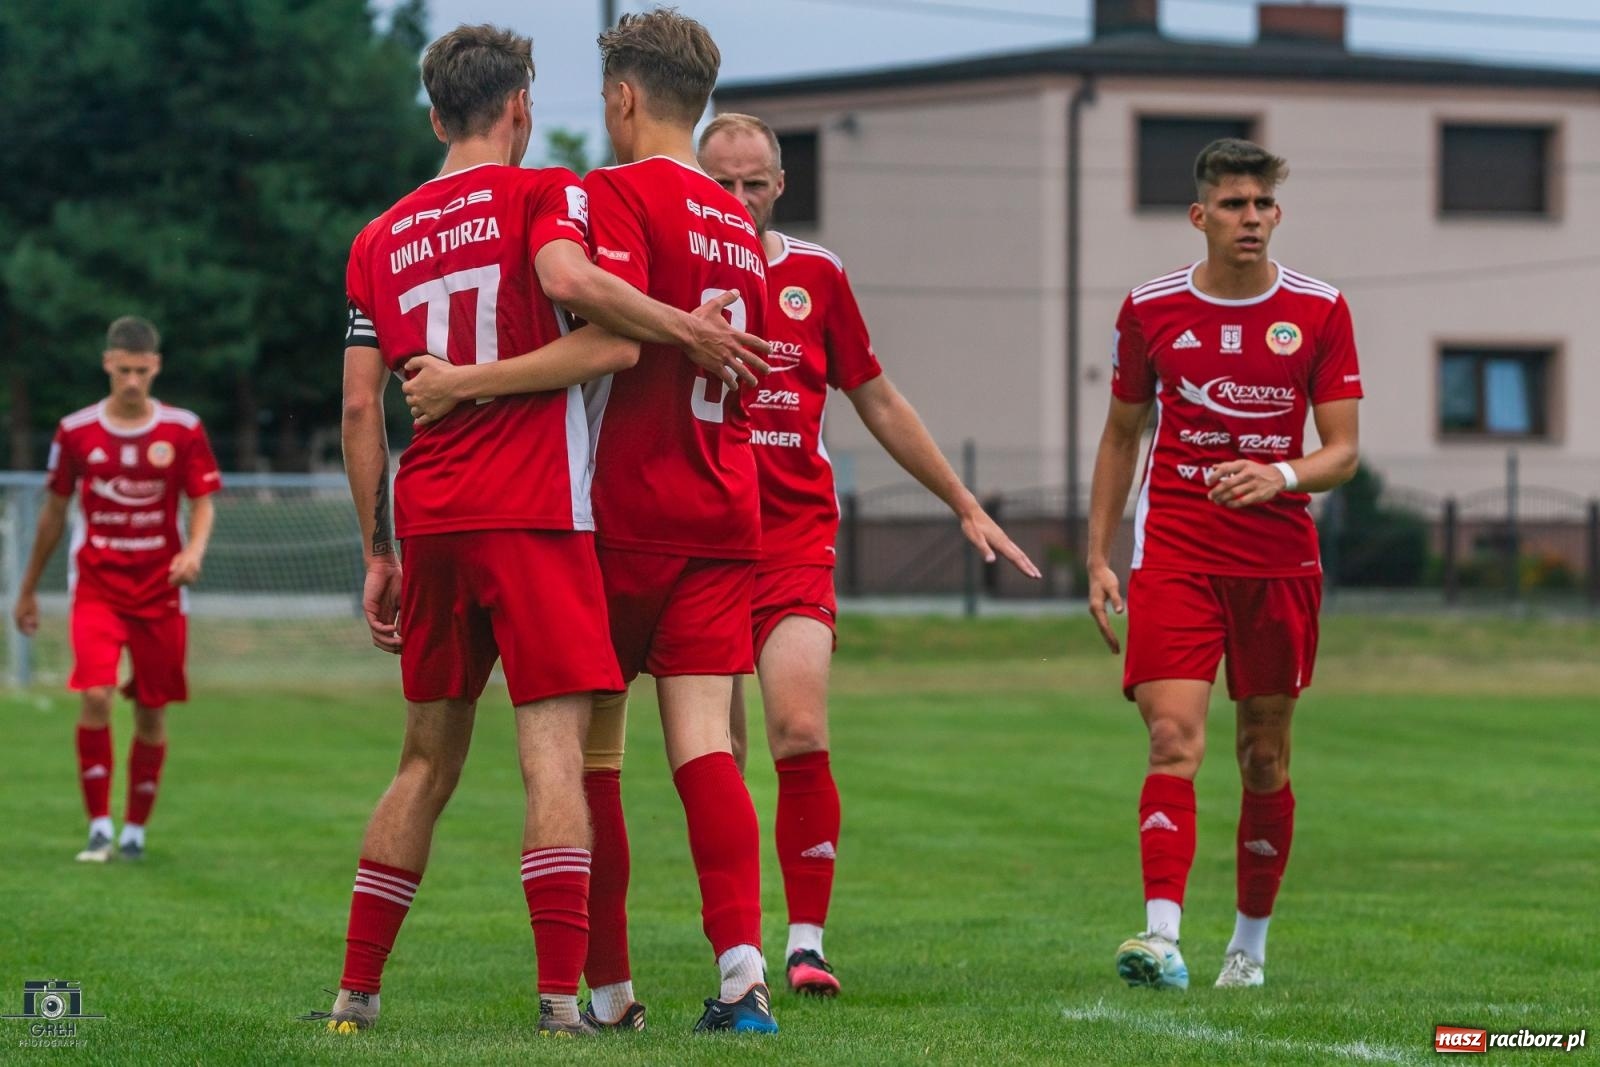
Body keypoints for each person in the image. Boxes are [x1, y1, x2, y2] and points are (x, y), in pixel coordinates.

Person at [309, 23, 760, 1037]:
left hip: (431, 517)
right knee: (553, 756)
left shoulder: (377, 236)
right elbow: (591, 319)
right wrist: (684, 328)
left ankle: (355, 994)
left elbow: (358, 405)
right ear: (520, 106)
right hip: (538, 512)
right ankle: (564, 1002)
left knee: (422, 762)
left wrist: (377, 548)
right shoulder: (547, 193)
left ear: (435, 116)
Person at [696, 112, 1040, 997]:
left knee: (800, 730)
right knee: (716, 753)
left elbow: (877, 397)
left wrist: (963, 501)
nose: (738, 197)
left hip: (792, 540)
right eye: (721, 182)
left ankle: (805, 944)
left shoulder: (818, 274)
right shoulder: (673, 273)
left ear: (780, 186)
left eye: (754, 182)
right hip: (698, 540)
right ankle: (737, 948)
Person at [1085, 138, 1361, 991]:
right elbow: (1122, 434)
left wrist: (1281, 474)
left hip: (1278, 561)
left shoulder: (1319, 310)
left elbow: (1342, 451)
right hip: (1176, 550)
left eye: (1263, 204)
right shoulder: (1150, 309)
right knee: (1173, 737)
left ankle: (1249, 945)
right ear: (1199, 215)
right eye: (1235, 204)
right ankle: (1161, 936)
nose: (1251, 218)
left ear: (1278, 214)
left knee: (1263, 754)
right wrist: (1098, 555)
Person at [12, 315, 221, 864]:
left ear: (156, 367)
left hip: (161, 590)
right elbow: (53, 514)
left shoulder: (183, 429)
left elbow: (202, 501)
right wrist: (27, 589)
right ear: (107, 364)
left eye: (141, 371)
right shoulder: (75, 431)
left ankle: (135, 832)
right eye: (123, 370)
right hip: (97, 587)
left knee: (151, 710)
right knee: (96, 694)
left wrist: (193, 552)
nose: (132, 381)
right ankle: (100, 826)